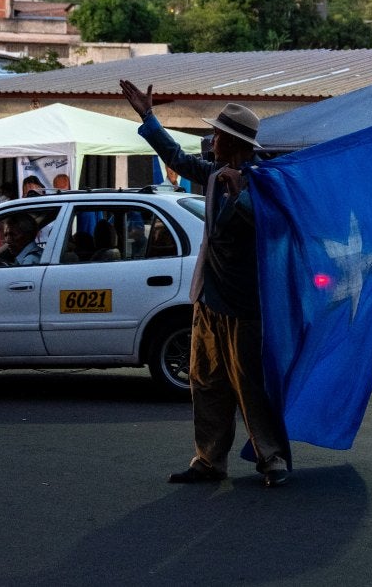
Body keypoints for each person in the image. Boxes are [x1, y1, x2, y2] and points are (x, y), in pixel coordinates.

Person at [120, 78, 291, 488]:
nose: (210, 139)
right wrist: (148, 116)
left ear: (233, 142)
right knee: (205, 380)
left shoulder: (263, 184)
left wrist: (243, 197)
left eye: (216, 134)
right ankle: (209, 460)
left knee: (250, 385)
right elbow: (176, 158)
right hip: (209, 298)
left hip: (247, 305)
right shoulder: (214, 174)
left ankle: (272, 458)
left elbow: (277, 228)